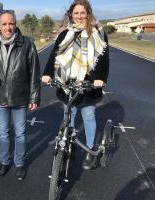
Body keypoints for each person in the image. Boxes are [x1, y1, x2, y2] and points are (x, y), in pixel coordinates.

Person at [42, 0, 109, 170]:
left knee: (88, 116)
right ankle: (68, 147)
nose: (79, 16)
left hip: (88, 85)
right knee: (69, 115)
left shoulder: (98, 33)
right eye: (76, 13)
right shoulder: (65, 34)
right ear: (71, 14)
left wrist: (99, 78)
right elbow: (54, 55)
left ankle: (90, 150)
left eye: (82, 13)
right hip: (68, 83)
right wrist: (47, 73)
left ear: (88, 13)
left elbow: (103, 59)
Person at [0, 10, 41, 180]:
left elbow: (34, 73)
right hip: (0, 97)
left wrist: (34, 97)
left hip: (20, 97)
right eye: (4, 24)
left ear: (15, 24)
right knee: (3, 133)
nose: (8, 27)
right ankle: (4, 162)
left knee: (20, 134)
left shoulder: (27, 44)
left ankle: (20, 163)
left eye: (11, 23)